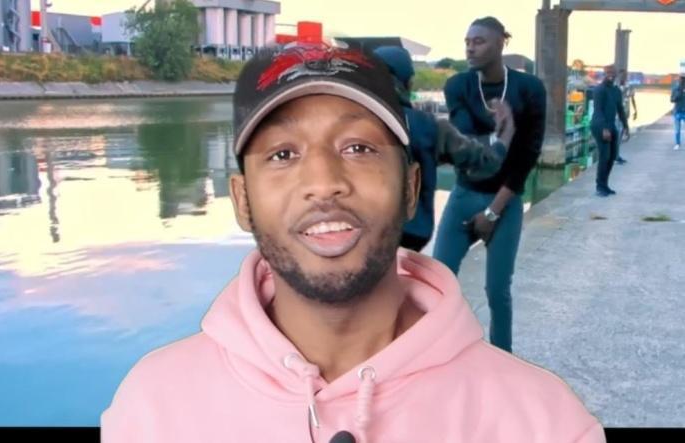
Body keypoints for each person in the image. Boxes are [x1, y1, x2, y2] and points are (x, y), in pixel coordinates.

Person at [101, 42, 604, 443]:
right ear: (242, 198)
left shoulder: (545, 424)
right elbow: (485, 161)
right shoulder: (151, 410)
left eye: (359, 147)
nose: (324, 183)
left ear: (410, 187)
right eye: (282, 154)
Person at [433, 17, 546, 354]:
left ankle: (502, 357)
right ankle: (440, 354)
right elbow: (467, 146)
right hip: (464, 195)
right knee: (438, 281)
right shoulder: (458, 85)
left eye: (479, 41)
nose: (470, 48)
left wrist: (493, 213)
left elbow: (527, 156)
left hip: (505, 201)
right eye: (467, 41)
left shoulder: (529, 89)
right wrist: (503, 135)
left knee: (497, 291)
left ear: (500, 43)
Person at [372, 45, 515, 252]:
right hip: (410, 238)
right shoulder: (430, 127)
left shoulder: (348, 123)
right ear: (408, 82)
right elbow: (485, 162)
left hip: (358, 236)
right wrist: (504, 137)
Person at [591, 64, 629, 197]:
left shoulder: (616, 91)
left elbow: (620, 109)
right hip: (599, 125)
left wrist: (626, 126)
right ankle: (599, 187)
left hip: (611, 125)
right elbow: (598, 111)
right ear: (604, 73)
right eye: (608, 73)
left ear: (616, 74)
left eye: (613, 73)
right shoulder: (599, 90)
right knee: (604, 156)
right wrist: (604, 129)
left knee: (612, 156)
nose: (610, 75)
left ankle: (605, 185)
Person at [614, 69, 637, 164]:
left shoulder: (629, 86)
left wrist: (636, 111)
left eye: (625, 76)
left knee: (620, 135)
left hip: (625, 113)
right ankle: (615, 156)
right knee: (617, 134)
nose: (624, 77)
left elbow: (633, 99)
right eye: (622, 75)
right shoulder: (615, 87)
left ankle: (616, 155)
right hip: (616, 114)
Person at [672, 73, 685, 150]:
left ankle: (677, 144)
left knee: (677, 129)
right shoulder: (676, 88)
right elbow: (672, 99)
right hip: (678, 111)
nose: (683, 80)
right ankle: (677, 143)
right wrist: (678, 95)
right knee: (677, 129)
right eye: (682, 78)